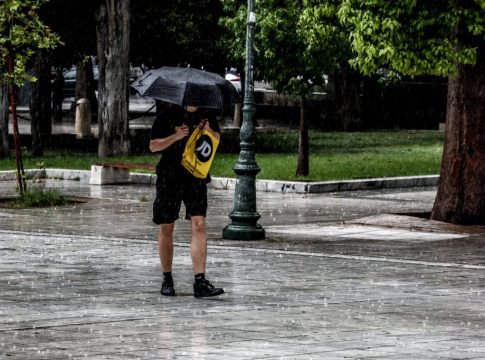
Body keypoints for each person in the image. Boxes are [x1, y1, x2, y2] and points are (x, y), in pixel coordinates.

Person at [149, 104, 224, 298]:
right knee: (167, 226)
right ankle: (167, 278)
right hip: (169, 177)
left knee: (199, 224)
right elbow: (153, 146)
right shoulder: (167, 115)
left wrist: (208, 130)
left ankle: (200, 281)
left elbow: (216, 140)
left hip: (195, 176)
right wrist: (176, 136)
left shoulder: (206, 115)